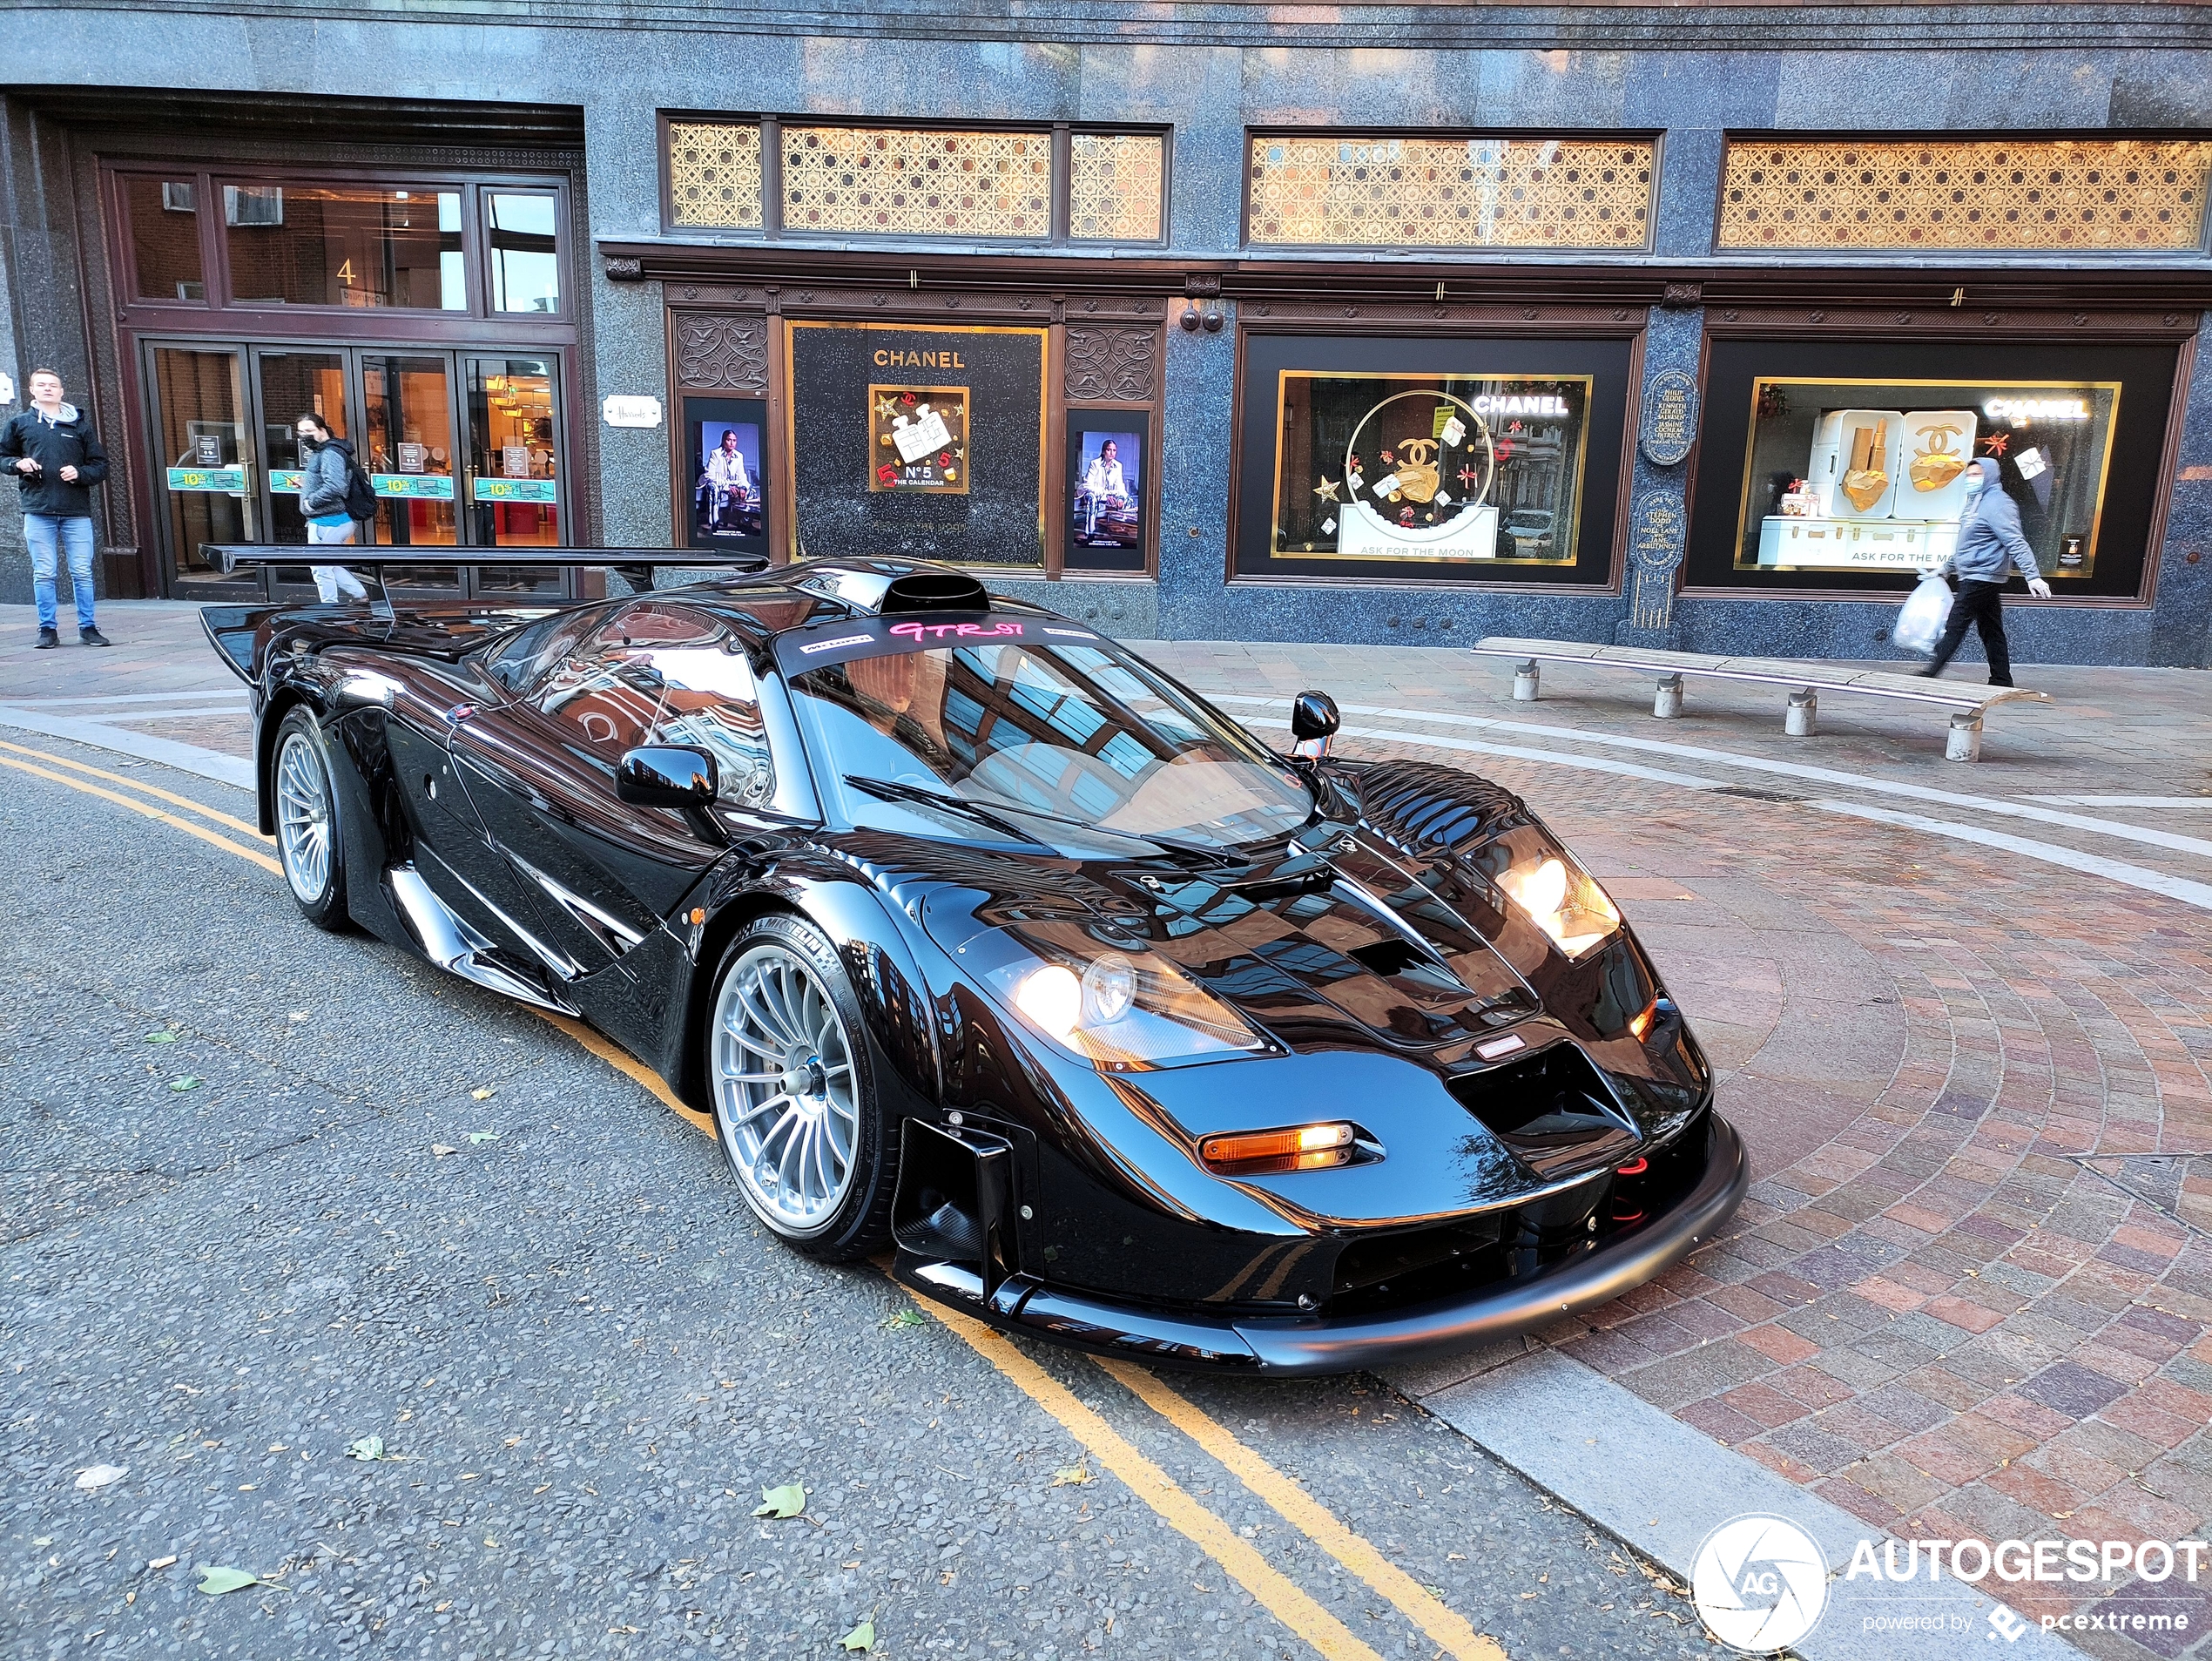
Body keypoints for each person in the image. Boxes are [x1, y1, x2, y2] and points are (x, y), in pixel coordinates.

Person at [1917, 456, 2053, 687]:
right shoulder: (1975, 502)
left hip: (1984, 575)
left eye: (1977, 475)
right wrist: (1946, 568)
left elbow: (2015, 541)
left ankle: (1932, 671)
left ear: (1989, 475)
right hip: (1975, 573)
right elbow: (1969, 543)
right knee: (1991, 629)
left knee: (1956, 622)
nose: (1971, 479)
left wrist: (2032, 575)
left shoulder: (1998, 503)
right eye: (1969, 475)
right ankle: (2001, 678)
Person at [1, 368, 110, 647]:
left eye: (53, 385)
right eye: (41, 385)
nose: (48, 388)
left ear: (62, 392)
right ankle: (47, 630)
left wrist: (80, 473)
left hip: (76, 512)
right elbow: (3, 457)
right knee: (44, 572)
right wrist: (17, 464)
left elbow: (100, 466)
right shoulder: (19, 424)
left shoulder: (80, 426)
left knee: (82, 572)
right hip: (38, 510)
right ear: (32, 391)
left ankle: (88, 628)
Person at [294, 412, 368, 604]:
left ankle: (330, 607)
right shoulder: (327, 451)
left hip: (328, 520)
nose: (305, 436)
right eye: (301, 432)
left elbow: (336, 486)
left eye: (309, 431)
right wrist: (306, 485)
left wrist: (311, 502)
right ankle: (361, 595)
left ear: (322, 430)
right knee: (328, 564)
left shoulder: (329, 453)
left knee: (320, 567)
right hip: (329, 519)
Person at [1078, 439, 1130, 542]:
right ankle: (1091, 532)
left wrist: (1120, 498)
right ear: (1103, 451)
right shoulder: (1095, 464)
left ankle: (1120, 532)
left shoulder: (1118, 466)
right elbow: (1088, 485)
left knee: (1128, 499)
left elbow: (1120, 486)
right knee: (1091, 498)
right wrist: (1105, 496)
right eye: (1109, 450)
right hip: (1094, 493)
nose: (1112, 453)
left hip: (1111, 495)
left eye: (1114, 450)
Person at [701, 429, 752, 529]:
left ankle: (746, 522)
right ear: (723, 440)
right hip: (714, 482)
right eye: (729, 440)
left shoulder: (739, 456)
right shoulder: (715, 453)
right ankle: (714, 522)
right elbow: (710, 475)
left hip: (730, 483)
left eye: (734, 440)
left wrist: (743, 488)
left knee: (750, 489)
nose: (732, 443)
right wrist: (727, 487)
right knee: (714, 488)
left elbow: (742, 475)